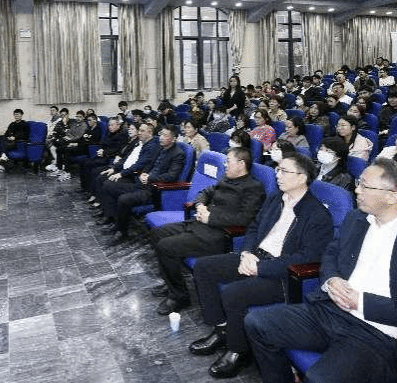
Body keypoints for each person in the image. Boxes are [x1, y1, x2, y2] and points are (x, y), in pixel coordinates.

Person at [244, 158, 397, 383]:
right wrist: (332, 279)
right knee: (256, 322)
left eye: (365, 186)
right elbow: (331, 254)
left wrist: (361, 302)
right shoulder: (357, 218)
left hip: (375, 331)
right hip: (331, 310)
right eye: (359, 183)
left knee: (320, 378)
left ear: (392, 196)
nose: (357, 190)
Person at [188, 154, 334, 378]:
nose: (278, 175)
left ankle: (238, 351)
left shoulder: (317, 214)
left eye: (284, 171)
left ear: (302, 177)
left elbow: (306, 257)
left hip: (282, 274)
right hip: (256, 256)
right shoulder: (276, 198)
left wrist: (261, 268)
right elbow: (255, 227)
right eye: (278, 170)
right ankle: (222, 328)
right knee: (204, 268)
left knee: (234, 294)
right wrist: (246, 253)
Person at [150, 147, 266, 315]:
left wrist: (210, 218)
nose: (225, 165)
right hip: (198, 224)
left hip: (216, 235)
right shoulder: (226, 178)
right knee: (157, 233)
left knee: (165, 246)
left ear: (241, 164)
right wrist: (200, 205)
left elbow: (245, 218)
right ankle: (171, 283)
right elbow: (204, 192)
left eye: (228, 161)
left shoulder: (253, 187)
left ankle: (179, 296)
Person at [101, 125, 185, 244]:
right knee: (109, 186)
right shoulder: (160, 148)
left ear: (174, 139)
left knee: (124, 199)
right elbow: (150, 164)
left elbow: (171, 176)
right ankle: (117, 222)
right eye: (161, 134)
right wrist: (144, 173)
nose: (161, 137)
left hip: (154, 190)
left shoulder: (178, 154)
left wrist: (150, 178)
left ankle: (122, 232)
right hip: (142, 183)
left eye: (165, 135)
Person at [0, 108, 30, 173]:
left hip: (17, 143)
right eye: (15, 115)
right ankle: (3, 157)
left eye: (18, 115)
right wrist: (9, 137)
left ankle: (1, 165)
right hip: (9, 141)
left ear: (21, 115)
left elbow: (25, 135)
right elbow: (7, 133)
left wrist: (15, 138)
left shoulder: (24, 124)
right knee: (1, 138)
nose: (16, 116)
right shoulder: (12, 124)